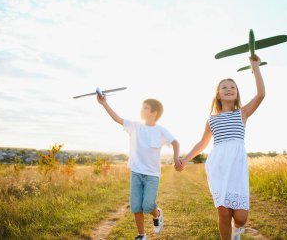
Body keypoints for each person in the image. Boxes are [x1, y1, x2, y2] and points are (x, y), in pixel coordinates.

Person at [176, 56, 265, 240]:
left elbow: (261, 94)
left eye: (233, 87)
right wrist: (185, 160)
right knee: (224, 213)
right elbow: (202, 143)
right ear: (218, 94)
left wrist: (255, 67)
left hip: (237, 167)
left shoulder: (243, 113)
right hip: (218, 165)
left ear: (237, 94)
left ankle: (236, 229)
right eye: (224, 87)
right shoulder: (212, 119)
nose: (229, 89)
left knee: (240, 217)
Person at [97, 96, 180, 240]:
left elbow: (175, 143)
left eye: (145, 107)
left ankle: (157, 214)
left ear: (153, 113)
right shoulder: (135, 126)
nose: (141, 110)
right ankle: (141, 235)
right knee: (136, 206)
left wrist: (176, 158)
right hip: (136, 173)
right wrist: (104, 103)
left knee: (148, 205)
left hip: (152, 175)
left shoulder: (161, 130)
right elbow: (117, 118)